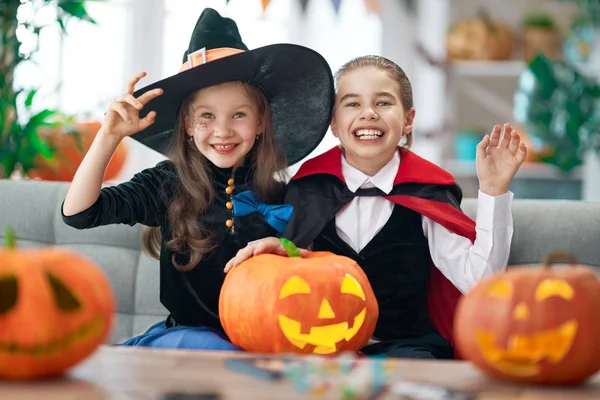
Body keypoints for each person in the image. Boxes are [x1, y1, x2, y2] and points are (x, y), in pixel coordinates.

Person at [61, 8, 334, 350]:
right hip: (184, 341)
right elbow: (78, 213)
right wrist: (108, 136)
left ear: (261, 122)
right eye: (207, 116)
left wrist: (292, 248)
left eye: (239, 114)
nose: (223, 130)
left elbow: (325, 268)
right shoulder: (167, 184)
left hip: (262, 339)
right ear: (188, 125)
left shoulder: (287, 196)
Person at [225, 55, 527, 359]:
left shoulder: (428, 189)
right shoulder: (308, 188)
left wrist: (493, 191)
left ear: (408, 119)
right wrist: (274, 247)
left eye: (383, 103)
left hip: (408, 348)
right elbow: (289, 269)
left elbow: (480, 283)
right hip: (323, 346)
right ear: (333, 121)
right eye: (352, 104)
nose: (368, 113)